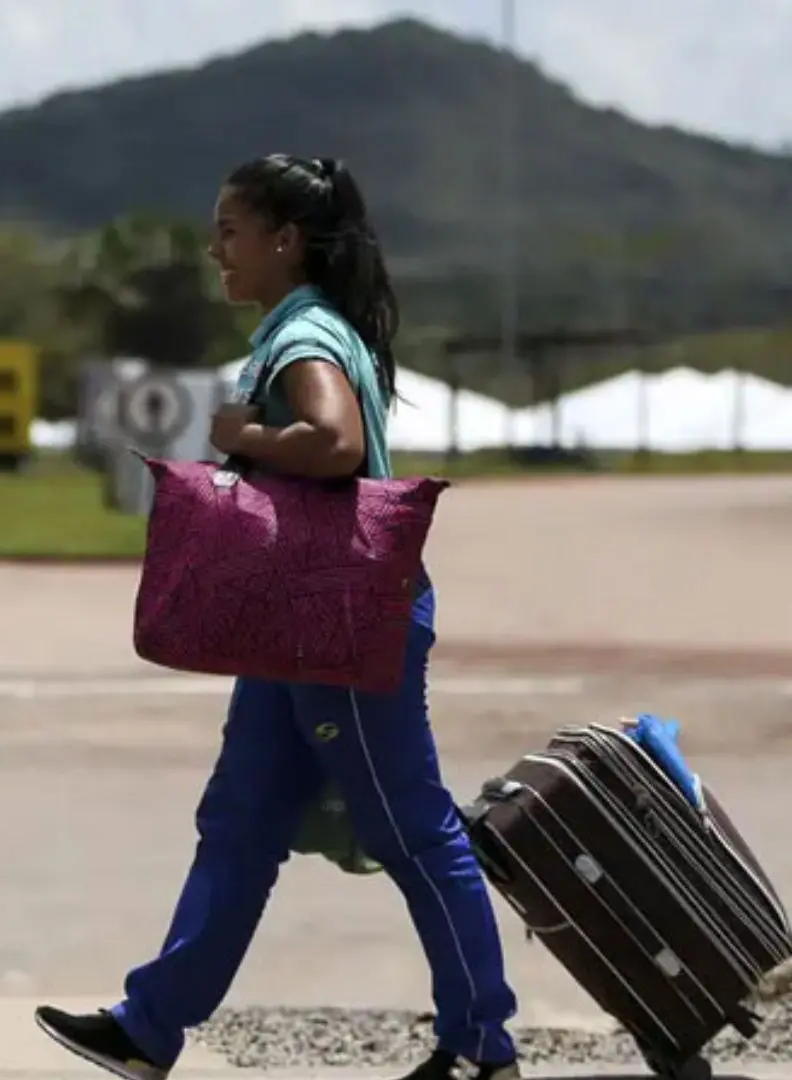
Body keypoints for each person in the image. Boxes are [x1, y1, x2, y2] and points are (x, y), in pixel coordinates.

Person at [33, 155, 521, 1080]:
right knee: (240, 821)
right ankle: (148, 1027)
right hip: (293, 623)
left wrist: (242, 437)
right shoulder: (302, 327)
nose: (215, 248)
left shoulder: (303, 335)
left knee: (410, 828)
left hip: (339, 621)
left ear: (285, 240)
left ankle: (480, 1046)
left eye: (230, 230)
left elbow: (333, 443)